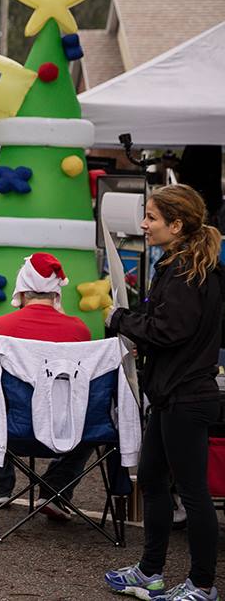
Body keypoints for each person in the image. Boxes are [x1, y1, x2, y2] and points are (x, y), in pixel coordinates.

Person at [104, 185, 224, 601]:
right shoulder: (180, 264)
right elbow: (174, 331)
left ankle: (203, 585)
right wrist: (146, 338)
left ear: (177, 224)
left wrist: (119, 318)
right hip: (173, 392)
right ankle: (150, 571)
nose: (143, 224)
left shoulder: (188, 270)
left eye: (151, 217)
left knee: (192, 493)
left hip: (187, 397)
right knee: (153, 480)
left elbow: (170, 329)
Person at [0, 252, 92, 518]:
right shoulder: (79, 330)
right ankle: (56, 489)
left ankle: (0, 488)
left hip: (12, 430)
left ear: (22, 291)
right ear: (56, 294)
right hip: (66, 431)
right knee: (93, 422)